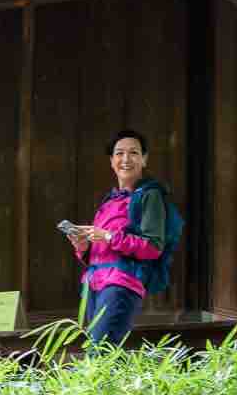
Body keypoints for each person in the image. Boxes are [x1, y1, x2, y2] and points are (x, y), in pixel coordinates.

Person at [68, 130, 166, 347]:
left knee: (101, 351)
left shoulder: (150, 196)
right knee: (98, 353)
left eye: (134, 152)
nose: (126, 159)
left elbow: (153, 247)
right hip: (93, 284)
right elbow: (99, 252)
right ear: (111, 161)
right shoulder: (108, 201)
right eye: (119, 153)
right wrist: (83, 247)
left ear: (144, 159)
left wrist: (109, 236)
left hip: (121, 283)